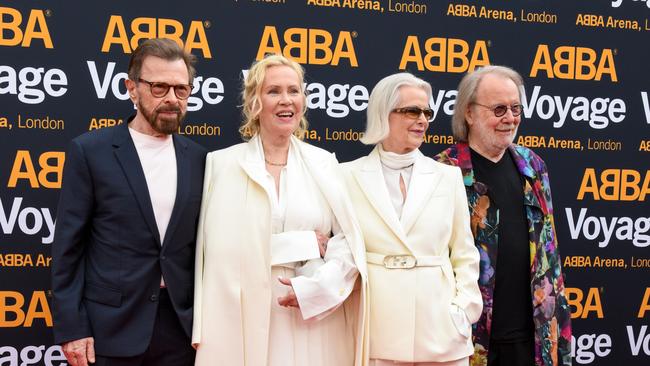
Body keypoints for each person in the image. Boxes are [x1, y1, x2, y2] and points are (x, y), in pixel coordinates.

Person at [191, 54, 368, 366]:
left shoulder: (324, 163)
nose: (286, 100)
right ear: (254, 102)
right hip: (240, 315)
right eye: (273, 91)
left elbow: (350, 244)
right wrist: (304, 243)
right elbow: (219, 251)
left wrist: (319, 288)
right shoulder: (222, 164)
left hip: (311, 315)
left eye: (294, 90)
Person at [51, 38, 206, 366]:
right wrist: (72, 328)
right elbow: (68, 249)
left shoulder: (200, 159)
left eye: (181, 89)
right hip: (110, 330)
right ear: (131, 88)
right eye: (159, 87)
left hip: (181, 332)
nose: (171, 99)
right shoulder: (90, 152)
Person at [340, 73, 482, 366]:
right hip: (376, 333)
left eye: (427, 112)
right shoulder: (346, 176)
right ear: (383, 113)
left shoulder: (448, 176)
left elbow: (465, 254)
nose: (423, 119)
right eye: (412, 111)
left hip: (442, 333)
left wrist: (463, 311)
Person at [434, 65, 571, 366]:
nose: (510, 118)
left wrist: (558, 332)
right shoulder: (441, 171)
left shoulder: (534, 167)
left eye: (515, 108)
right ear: (469, 113)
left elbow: (550, 257)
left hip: (532, 338)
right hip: (466, 341)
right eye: (498, 109)